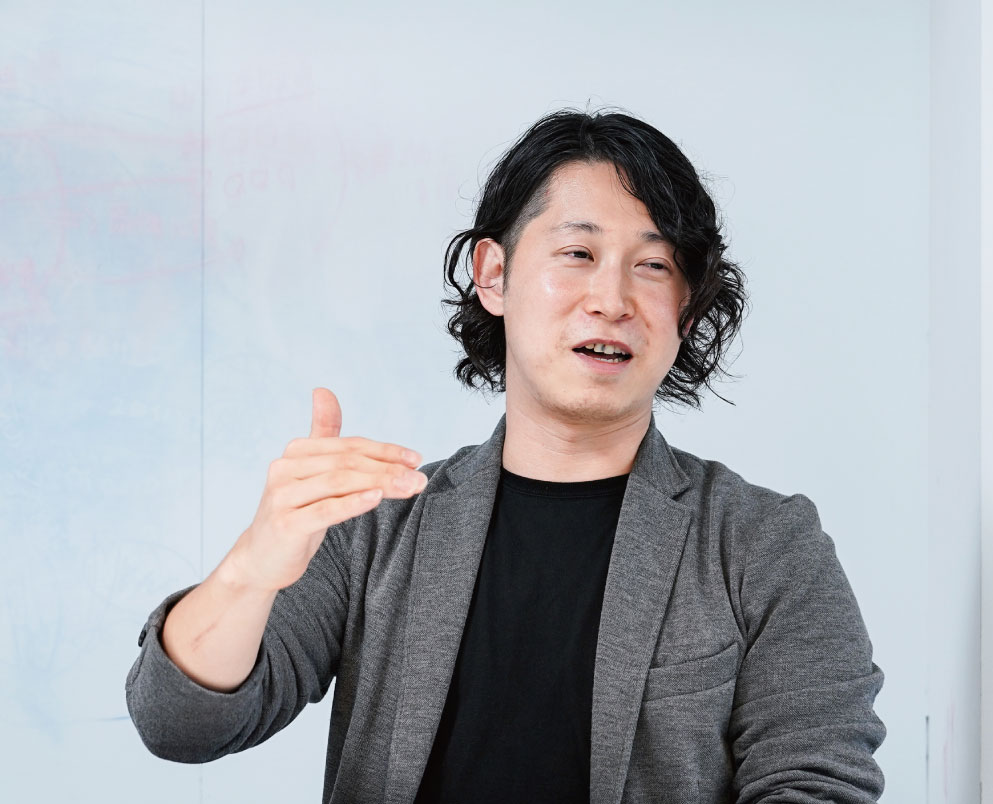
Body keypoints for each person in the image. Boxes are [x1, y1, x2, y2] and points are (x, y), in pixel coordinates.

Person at [125, 108, 887, 803]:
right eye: (579, 252)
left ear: (685, 309)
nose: (612, 299)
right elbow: (177, 723)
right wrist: (252, 569)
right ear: (494, 275)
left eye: (653, 266)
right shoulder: (375, 523)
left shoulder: (766, 546)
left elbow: (819, 781)